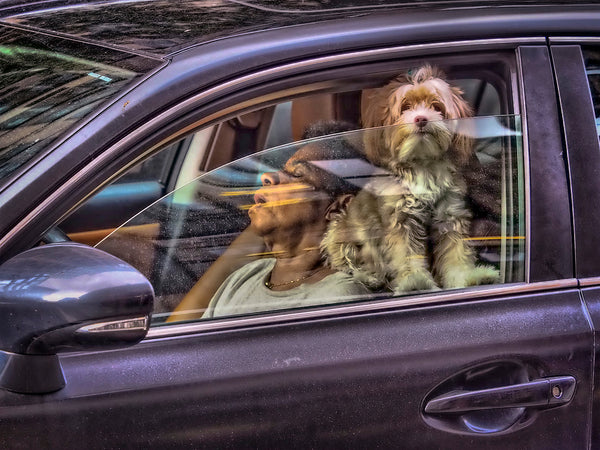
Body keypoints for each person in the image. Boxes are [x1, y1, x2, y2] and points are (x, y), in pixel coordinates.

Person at [169, 121, 370, 321]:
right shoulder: (246, 276)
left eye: (297, 174)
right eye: (283, 170)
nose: (267, 177)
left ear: (338, 207)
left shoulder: (339, 298)